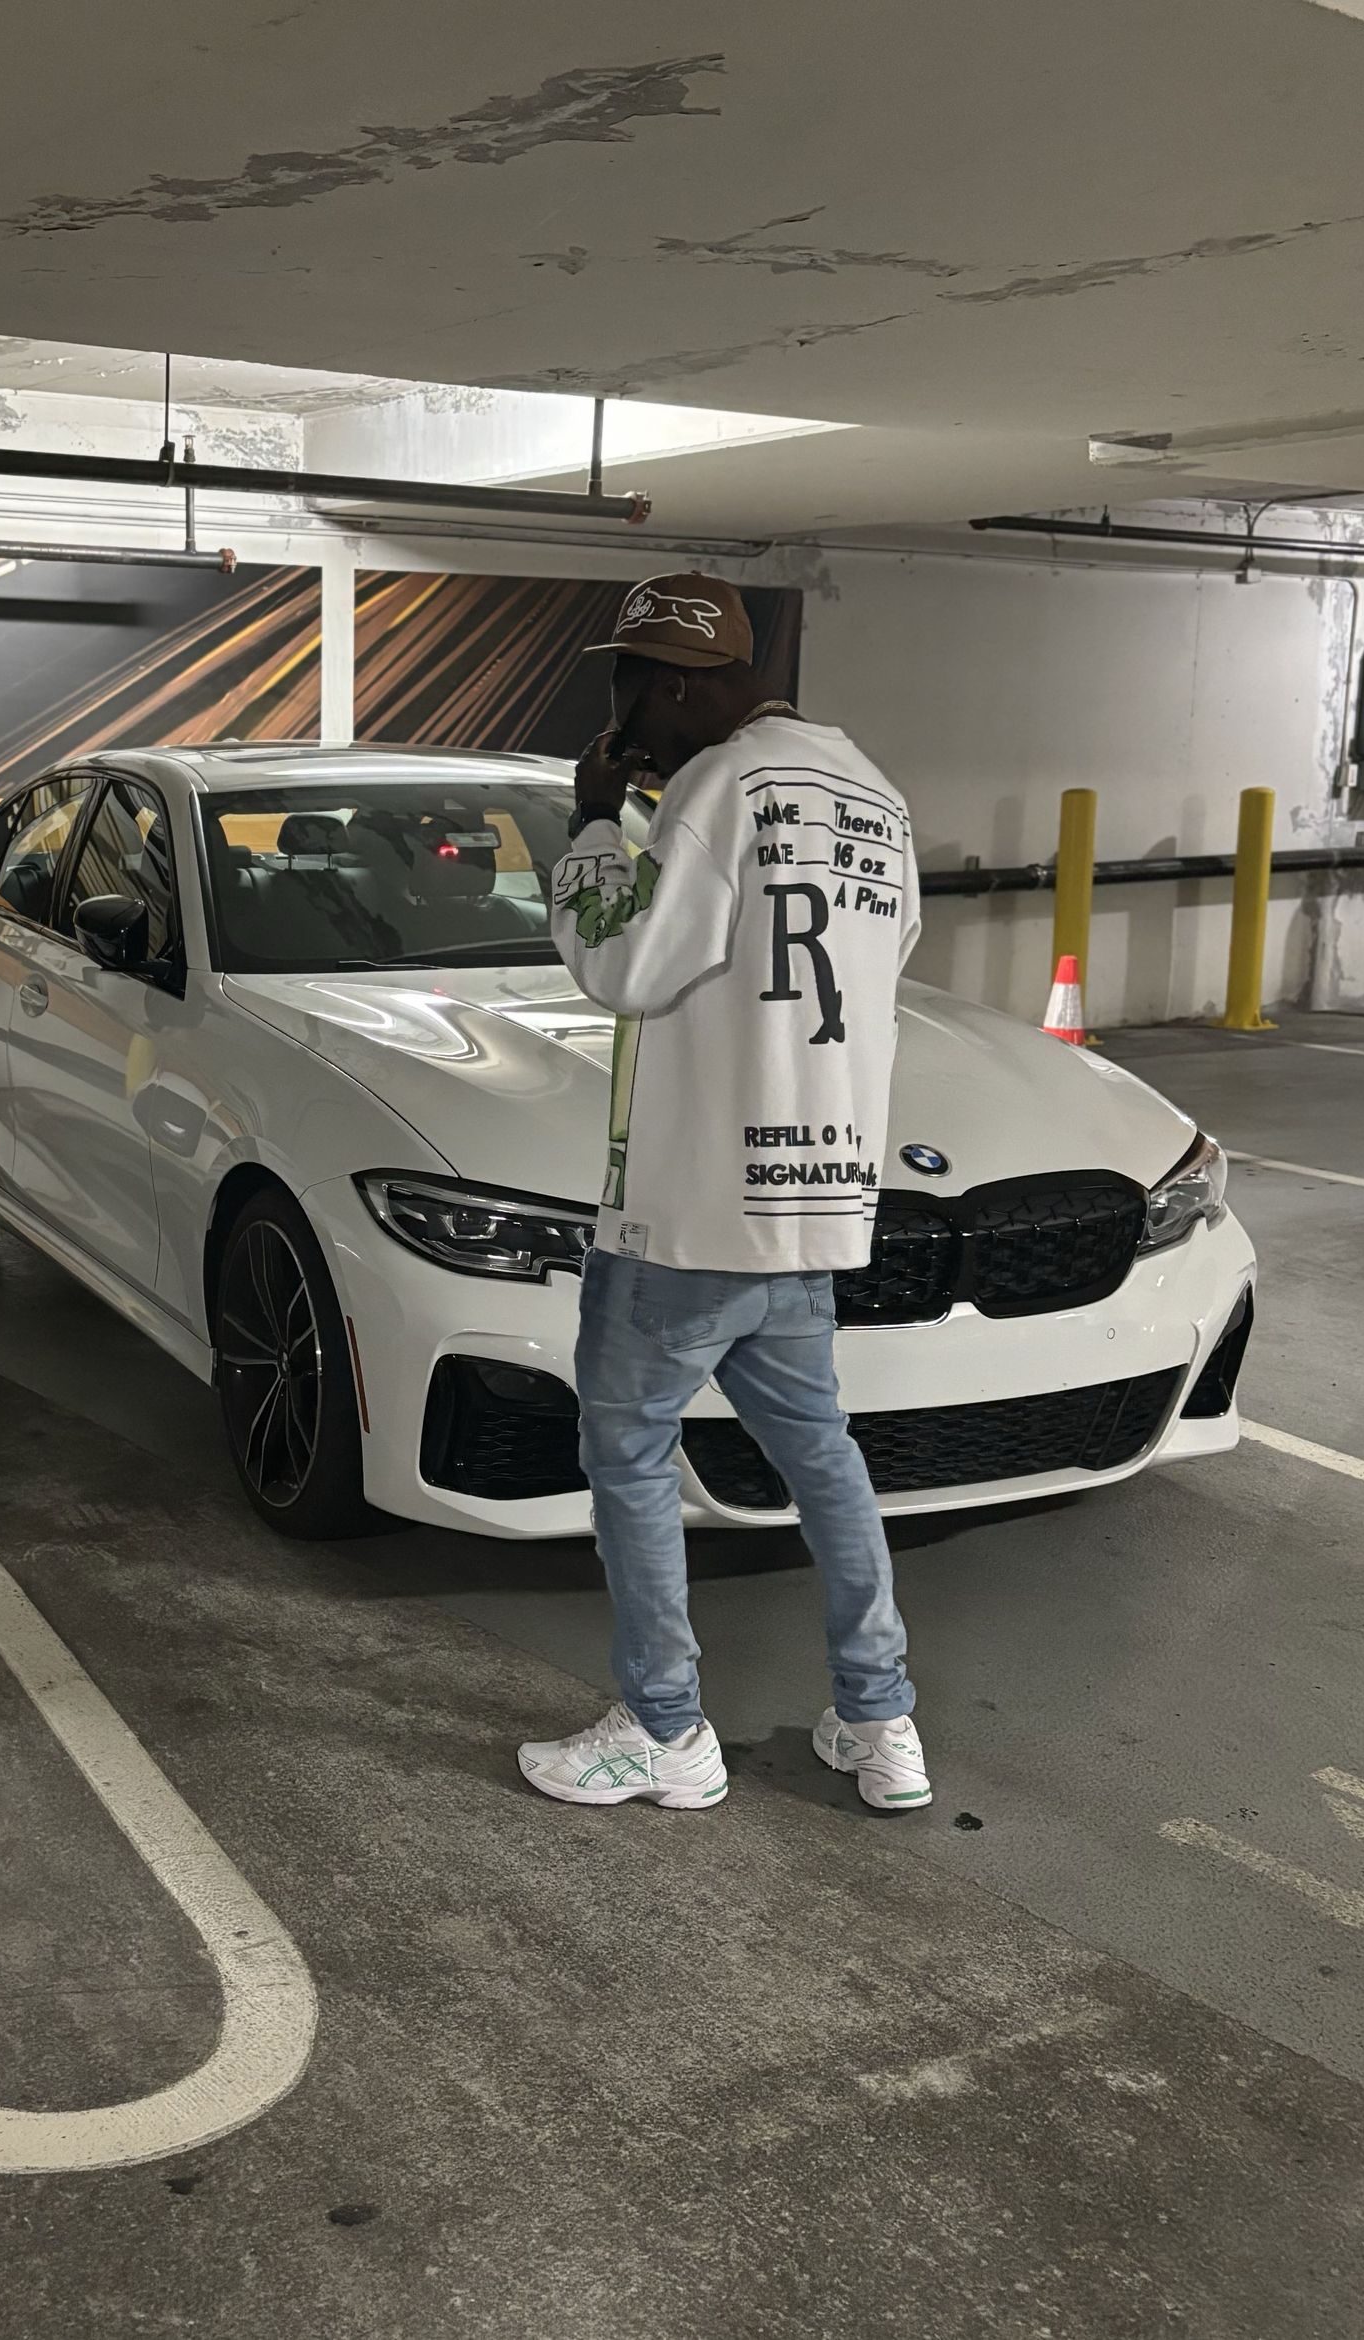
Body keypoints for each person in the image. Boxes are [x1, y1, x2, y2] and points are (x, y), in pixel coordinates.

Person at [517, 572, 933, 1816]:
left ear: (689, 682)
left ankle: (664, 1732)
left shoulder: (716, 787)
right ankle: (881, 1720)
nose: (628, 721)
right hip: (816, 1204)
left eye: (635, 691)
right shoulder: (875, 795)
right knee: (824, 1460)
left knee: (630, 1453)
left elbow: (628, 969)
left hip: (692, 1212)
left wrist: (598, 827)